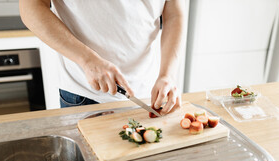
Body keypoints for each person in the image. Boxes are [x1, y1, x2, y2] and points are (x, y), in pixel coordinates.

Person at [20, 0, 185, 115]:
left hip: (149, 93)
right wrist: (87, 59)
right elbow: (30, 6)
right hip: (85, 94)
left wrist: (167, 75)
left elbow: (175, 14)